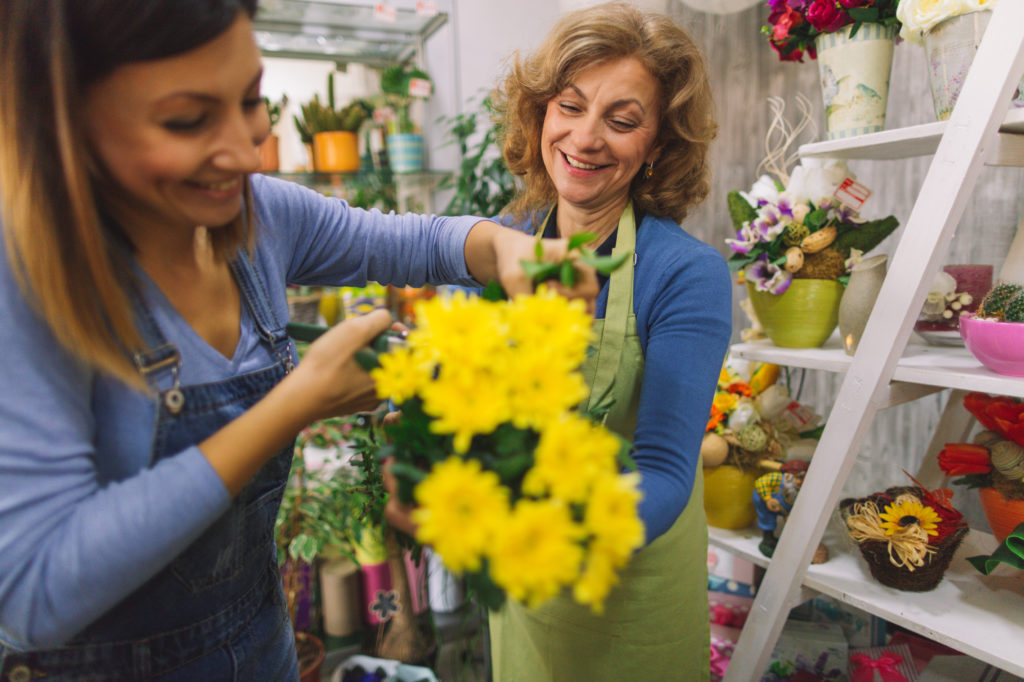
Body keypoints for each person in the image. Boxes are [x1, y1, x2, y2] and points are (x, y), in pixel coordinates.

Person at [0, 2, 596, 679]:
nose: (244, 148)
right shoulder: (24, 276)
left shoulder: (258, 218)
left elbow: (406, 240)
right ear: (66, 121)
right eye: (188, 120)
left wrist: (506, 248)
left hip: (260, 648)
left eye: (251, 101)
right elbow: (32, 594)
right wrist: (294, 402)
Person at [386, 3, 731, 679]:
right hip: (526, 590)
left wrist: (554, 542)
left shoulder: (686, 273)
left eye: (622, 119)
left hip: (630, 585)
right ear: (541, 114)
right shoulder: (497, 247)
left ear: (658, 145)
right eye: (569, 106)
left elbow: (664, 468)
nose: (586, 136)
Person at [754, 460, 810, 557]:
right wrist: (768, 499)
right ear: (789, 475)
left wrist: (788, 514)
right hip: (763, 500)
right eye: (798, 477)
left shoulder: (797, 488)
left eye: (803, 478)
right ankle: (768, 539)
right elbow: (760, 482)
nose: (800, 482)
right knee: (768, 519)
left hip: (782, 504)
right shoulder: (777, 478)